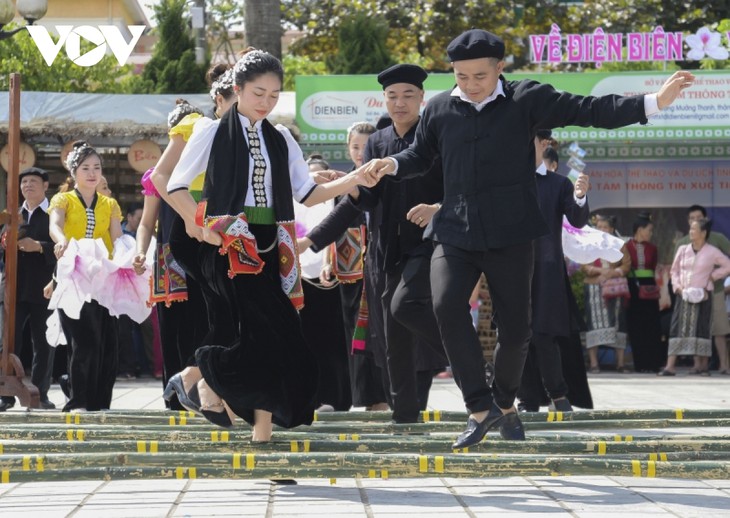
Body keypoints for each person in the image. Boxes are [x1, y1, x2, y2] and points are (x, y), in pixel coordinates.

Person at [363, 28, 694, 448]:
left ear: (500, 68)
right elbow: (420, 155)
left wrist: (653, 102)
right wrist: (391, 164)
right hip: (455, 232)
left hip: (512, 233)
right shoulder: (440, 109)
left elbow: (589, 109)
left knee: (518, 331)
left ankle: (504, 402)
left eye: (480, 76)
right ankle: (479, 407)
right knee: (445, 305)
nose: (470, 85)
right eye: (461, 76)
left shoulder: (527, 99)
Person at [164, 49, 377, 439]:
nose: (266, 102)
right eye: (258, 93)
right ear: (238, 89)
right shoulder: (211, 131)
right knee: (260, 335)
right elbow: (175, 186)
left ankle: (210, 389)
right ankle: (205, 381)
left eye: (274, 95)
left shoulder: (280, 138)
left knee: (279, 338)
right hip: (228, 245)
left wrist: (355, 178)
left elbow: (307, 193)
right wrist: (204, 228)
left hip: (271, 244)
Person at [303, 64, 449, 423]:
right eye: (392, 96)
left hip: (429, 247)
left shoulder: (436, 138)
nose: (400, 103)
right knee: (391, 339)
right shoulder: (377, 143)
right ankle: (404, 416)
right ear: (384, 99)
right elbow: (364, 201)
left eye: (408, 95)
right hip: (384, 253)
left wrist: (437, 209)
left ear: (422, 98)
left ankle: (464, 356)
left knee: (406, 309)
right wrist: (316, 236)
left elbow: (459, 190)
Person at [302, 122, 389, 411]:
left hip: (380, 264)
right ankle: (361, 397)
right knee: (351, 331)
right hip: (348, 269)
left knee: (377, 330)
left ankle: (381, 398)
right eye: (355, 146)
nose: (360, 152)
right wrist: (328, 262)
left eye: (366, 146)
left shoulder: (387, 178)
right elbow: (334, 223)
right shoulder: (344, 183)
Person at [133, 99, 211, 409]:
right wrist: (140, 251)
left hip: (205, 254)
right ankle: (176, 398)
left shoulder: (208, 170)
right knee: (174, 328)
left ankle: (206, 394)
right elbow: (146, 223)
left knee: (207, 322)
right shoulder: (159, 176)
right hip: (170, 262)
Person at [517, 130, 591, 413]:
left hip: (546, 271)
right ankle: (526, 399)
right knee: (516, 335)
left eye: (531, 141)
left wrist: (580, 196)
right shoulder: (506, 181)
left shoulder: (558, 184)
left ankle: (558, 396)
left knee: (544, 334)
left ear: (544, 144)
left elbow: (577, 219)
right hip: (512, 270)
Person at [48, 141, 123, 412]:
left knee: (107, 343)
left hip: (102, 278)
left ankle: (100, 402)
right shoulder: (63, 200)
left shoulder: (109, 204)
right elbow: (55, 225)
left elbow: (117, 239)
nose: (92, 173)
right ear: (74, 171)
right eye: (85, 168)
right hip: (73, 275)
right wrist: (61, 241)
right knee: (83, 339)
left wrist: (131, 260)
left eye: (97, 167)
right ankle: (78, 400)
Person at [295, 155, 351, 412]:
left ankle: (337, 397)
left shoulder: (339, 199)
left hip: (331, 278)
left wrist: (330, 262)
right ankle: (312, 397)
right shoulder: (293, 199)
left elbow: (338, 232)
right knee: (307, 342)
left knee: (334, 342)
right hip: (301, 278)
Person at [0, 167, 57, 411]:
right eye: (24, 182)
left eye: (34, 181)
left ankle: (40, 393)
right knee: (8, 341)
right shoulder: (12, 215)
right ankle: (7, 393)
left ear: (45, 186)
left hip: (44, 287)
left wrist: (40, 247)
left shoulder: (55, 213)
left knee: (43, 342)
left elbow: (65, 246)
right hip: (14, 287)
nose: (28, 185)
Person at [660, 218, 730, 376]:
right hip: (683, 295)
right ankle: (670, 366)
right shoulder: (683, 249)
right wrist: (678, 287)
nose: (690, 232)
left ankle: (703, 366)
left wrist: (713, 276)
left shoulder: (712, 251)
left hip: (703, 295)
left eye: (694, 229)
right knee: (677, 328)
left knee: (702, 329)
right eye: (690, 229)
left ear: (703, 233)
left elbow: (728, 265)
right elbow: (674, 271)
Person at [582, 215, 631, 373]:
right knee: (593, 324)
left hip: (614, 289)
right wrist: (600, 271)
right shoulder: (589, 244)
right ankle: (594, 363)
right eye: (599, 227)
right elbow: (584, 265)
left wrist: (611, 273)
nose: (602, 230)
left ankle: (620, 364)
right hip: (594, 288)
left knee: (618, 324)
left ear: (611, 229)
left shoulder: (619, 245)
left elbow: (626, 265)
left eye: (605, 227)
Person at [625, 213, 664, 373]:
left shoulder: (653, 248)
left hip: (649, 288)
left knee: (652, 325)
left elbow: (653, 268)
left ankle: (653, 363)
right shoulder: (626, 246)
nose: (651, 233)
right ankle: (640, 363)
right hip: (632, 287)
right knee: (636, 326)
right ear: (640, 230)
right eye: (649, 230)